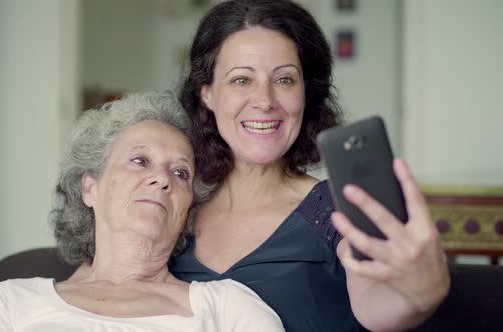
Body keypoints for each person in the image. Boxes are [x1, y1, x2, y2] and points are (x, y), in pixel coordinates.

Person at [170, 1, 450, 331]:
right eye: (242, 80)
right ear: (207, 95)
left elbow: (376, 306)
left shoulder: (337, 208)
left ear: (306, 93)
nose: (265, 100)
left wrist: (421, 291)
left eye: (285, 79)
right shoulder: (177, 208)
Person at [0, 91, 285, 332]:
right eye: (140, 161)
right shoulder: (12, 301)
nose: (162, 178)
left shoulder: (227, 307)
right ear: (89, 188)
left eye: (180, 173)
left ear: (187, 208)